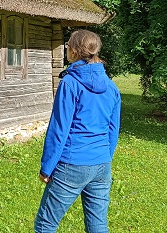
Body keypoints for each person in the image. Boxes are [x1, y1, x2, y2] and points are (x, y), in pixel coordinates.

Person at [34, 30, 121, 233]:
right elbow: (113, 129)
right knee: (98, 225)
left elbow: (59, 128)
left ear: (73, 51)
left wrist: (47, 167)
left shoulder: (70, 83)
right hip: (101, 164)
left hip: (72, 164)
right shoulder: (111, 87)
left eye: (67, 46)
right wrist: (105, 157)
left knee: (45, 225)